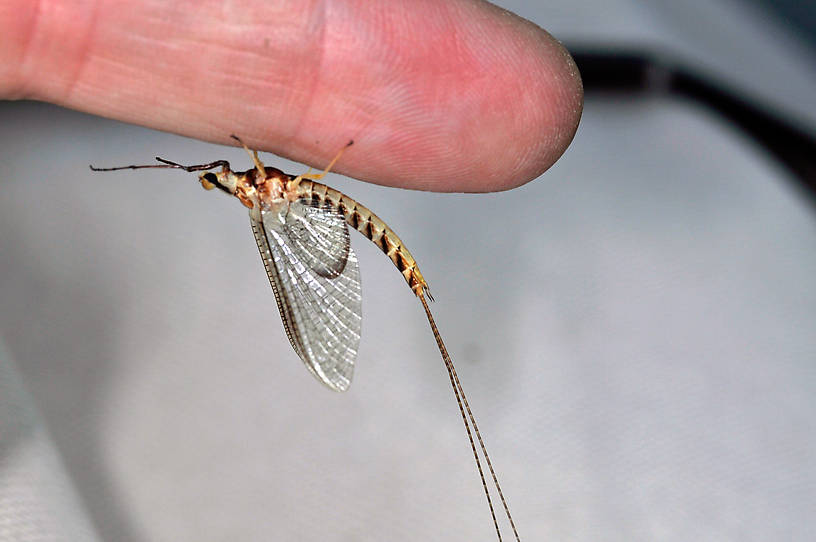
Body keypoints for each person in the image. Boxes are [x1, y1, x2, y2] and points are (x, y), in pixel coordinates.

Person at [1, 0, 582, 191]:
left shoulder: (244, 174)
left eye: (215, 175)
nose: (219, 172)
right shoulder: (256, 187)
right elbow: (283, 175)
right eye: (214, 177)